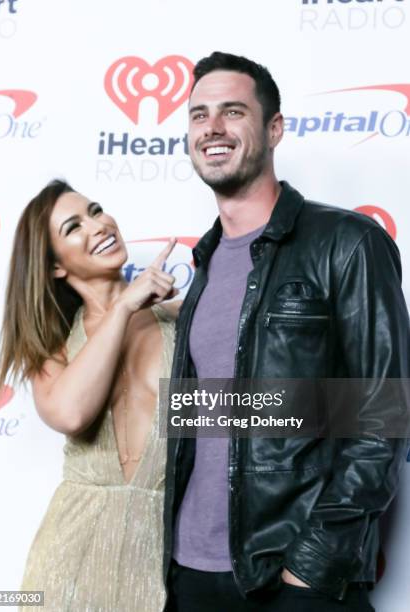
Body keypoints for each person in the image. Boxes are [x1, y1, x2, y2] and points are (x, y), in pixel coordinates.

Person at [163, 51, 410, 612]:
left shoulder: (346, 242)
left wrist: (314, 564)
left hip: (291, 576)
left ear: (274, 128)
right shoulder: (203, 262)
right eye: (199, 115)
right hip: (191, 574)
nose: (213, 129)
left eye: (232, 112)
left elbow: (383, 415)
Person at [0, 179, 180, 612]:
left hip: (160, 560)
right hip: (67, 566)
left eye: (96, 211)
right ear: (56, 267)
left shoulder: (181, 320)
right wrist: (122, 307)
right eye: (73, 227)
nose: (98, 226)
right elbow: (72, 413)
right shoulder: (52, 348)